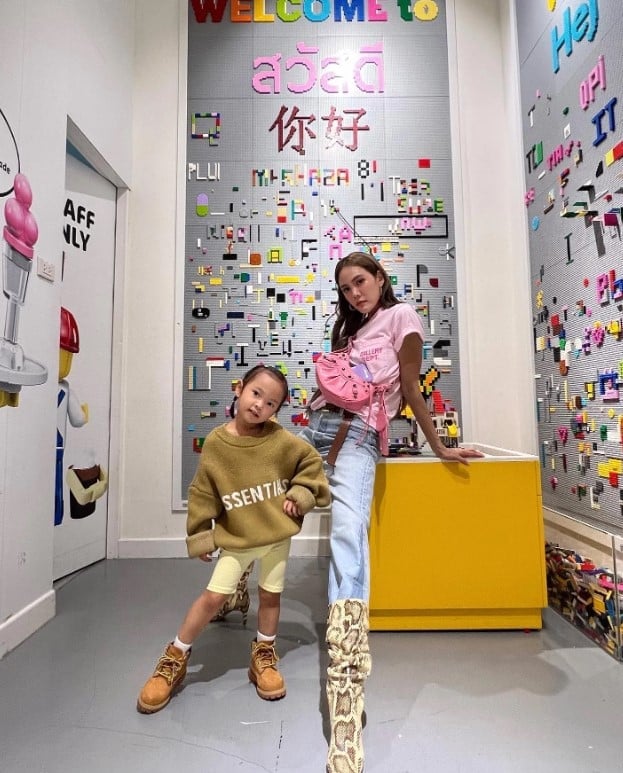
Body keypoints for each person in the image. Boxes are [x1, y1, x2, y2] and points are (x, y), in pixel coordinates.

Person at [299, 252, 484, 773]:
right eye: (346, 288)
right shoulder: (351, 330)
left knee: (348, 537)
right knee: (258, 487)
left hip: (358, 435)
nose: (355, 293)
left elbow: (408, 384)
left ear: (380, 278)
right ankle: (235, 589)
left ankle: (346, 684)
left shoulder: (403, 318)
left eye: (361, 281)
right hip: (317, 427)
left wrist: (440, 446)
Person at [136, 364, 330, 714]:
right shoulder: (216, 443)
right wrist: (201, 534)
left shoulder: (280, 440)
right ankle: (175, 656)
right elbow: (203, 492)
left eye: (270, 403)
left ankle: (264, 655)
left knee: (270, 596)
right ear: (239, 389)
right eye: (256, 394)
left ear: (276, 410)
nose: (260, 405)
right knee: (213, 597)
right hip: (238, 537)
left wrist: (301, 495)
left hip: (276, 536)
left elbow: (311, 465)